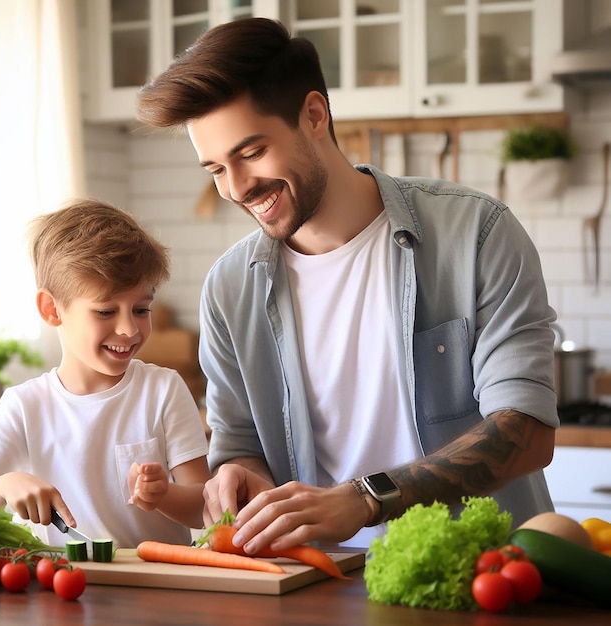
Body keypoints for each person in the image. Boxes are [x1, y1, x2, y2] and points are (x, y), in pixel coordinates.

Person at [136, 17, 559, 551]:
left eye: (250, 153)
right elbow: (239, 444)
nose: (237, 188)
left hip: (485, 575)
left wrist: (365, 498)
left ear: (314, 114)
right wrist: (238, 477)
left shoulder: (475, 233)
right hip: (320, 583)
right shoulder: (229, 289)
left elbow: (526, 430)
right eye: (216, 169)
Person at [0, 199, 210, 547]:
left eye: (141, 309)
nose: (129, 329)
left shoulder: (163, 390)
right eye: (106, 311)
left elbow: (204, 506)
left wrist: (163, 496)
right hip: (63, 586)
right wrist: (2, 486)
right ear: (51, 309)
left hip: (160, 586)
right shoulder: (23, 406)